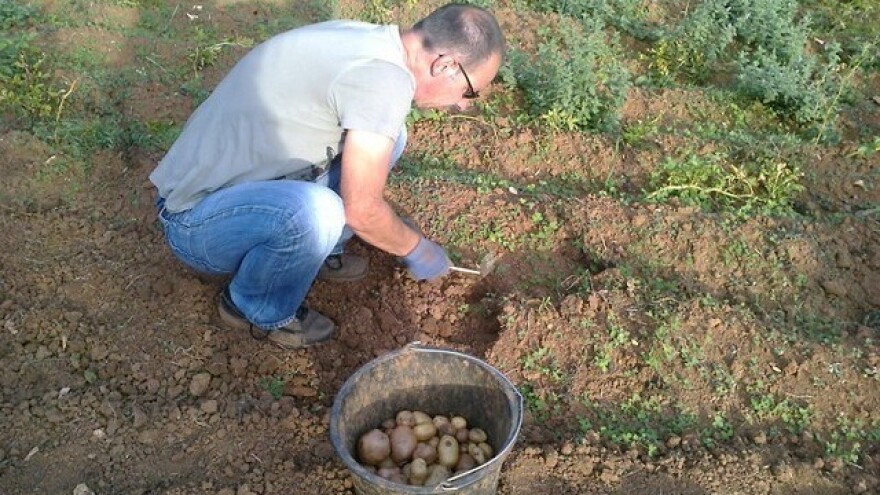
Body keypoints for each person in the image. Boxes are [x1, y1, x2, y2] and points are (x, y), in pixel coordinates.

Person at [149, 3, 505, 350]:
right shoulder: (384, 81)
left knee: (391, 136)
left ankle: (322, 249)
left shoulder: (375, 42)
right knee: (318, 213)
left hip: (246, 186)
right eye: (469, 91)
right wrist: (416, 248)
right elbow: (362, 210)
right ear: (445, 64)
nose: (463, 104)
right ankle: (254, 307)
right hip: (195, 221)